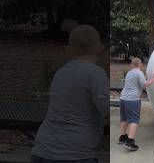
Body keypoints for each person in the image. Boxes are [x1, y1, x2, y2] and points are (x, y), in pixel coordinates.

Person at [31, 25, 108, 163]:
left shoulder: (60, 73)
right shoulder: (96, 73)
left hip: (42, 149)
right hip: (75, 153)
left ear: (68, 50)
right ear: (100, 49)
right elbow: (106, 108)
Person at [118, 58, 154, 151]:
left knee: (124, 119)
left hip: (123, 98)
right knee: (134, 120)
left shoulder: (130, 72)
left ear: (132, 65)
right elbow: (144, 84)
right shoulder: (138, 73)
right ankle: (130, 142)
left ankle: (122, 137)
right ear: (140, 65)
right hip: (132, 100)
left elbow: (137, 83)